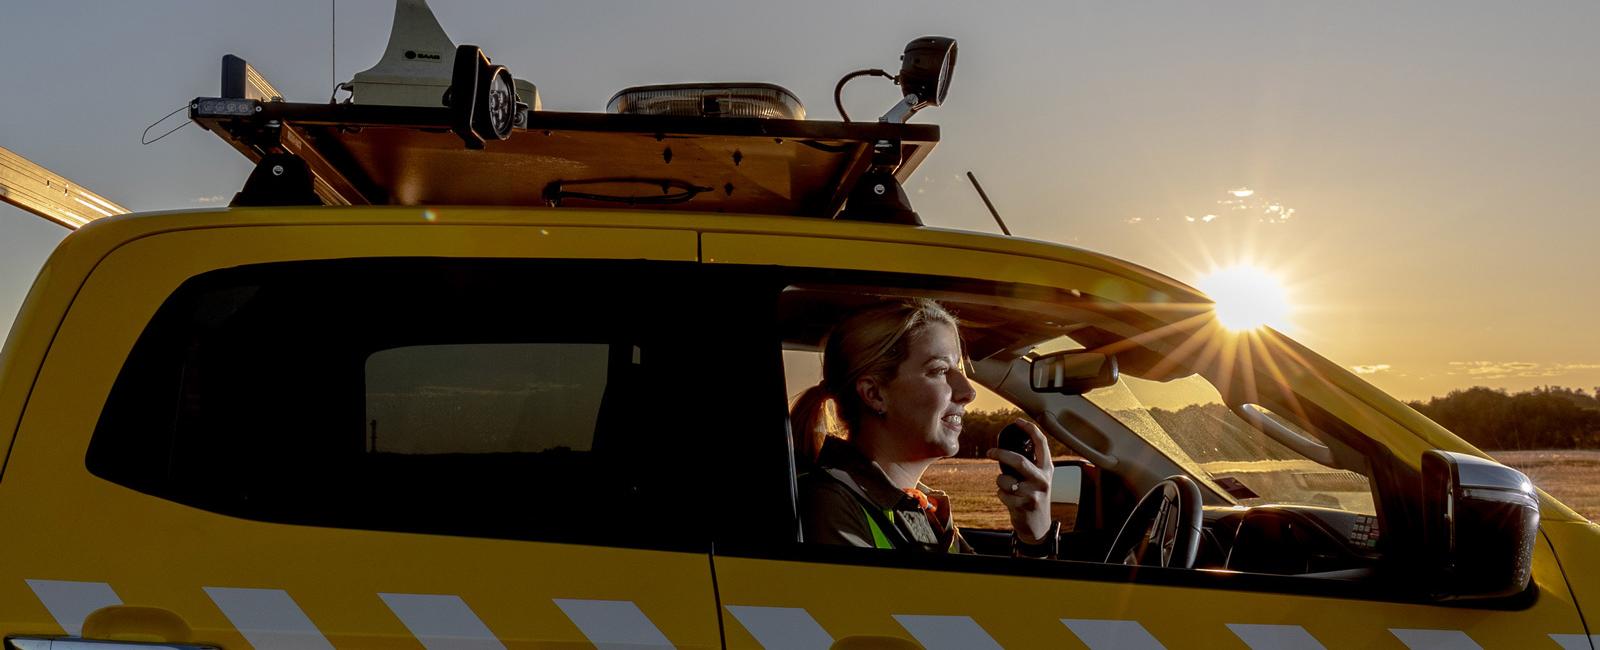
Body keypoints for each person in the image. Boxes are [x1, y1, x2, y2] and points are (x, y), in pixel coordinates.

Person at [792, 299, 1059, 557]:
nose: (968, 392)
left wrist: (1033, 539)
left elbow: (979, 600)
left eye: (960, 371)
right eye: (940, 371)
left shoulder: (921, 506)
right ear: (874, 394)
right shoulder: (828, 505)